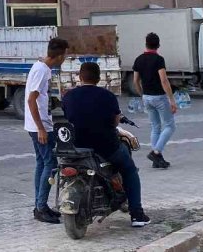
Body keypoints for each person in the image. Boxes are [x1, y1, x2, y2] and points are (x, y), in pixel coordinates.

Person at [63, 61, 150, 227]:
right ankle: (137, 214)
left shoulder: (68, 96)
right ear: (98, 78)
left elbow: (69, 117)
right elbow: (116, 119)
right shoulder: (107, 96)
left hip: (78, 147)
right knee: (129, 169)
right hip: (106, 146)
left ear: (80, 77)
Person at [25, 37, 68, 224]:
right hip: (40, 126)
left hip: (40, 124)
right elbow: (31, 100)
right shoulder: (41, 71)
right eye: (65, 54)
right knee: (50, 164)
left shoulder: (42, 67)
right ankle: (41, 207)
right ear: (59, 55)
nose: (65, 58)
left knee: (42, 163)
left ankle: (40, 206)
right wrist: (41, 128)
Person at [132, 33, 177, 168]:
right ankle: (156, 152)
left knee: (155, 127)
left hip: (147, 97)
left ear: (145, 43)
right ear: (158, 45)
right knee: (170, 125)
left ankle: (157, 160)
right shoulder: (158, 59)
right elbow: (164, 80)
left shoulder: (138, 59)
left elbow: (135, 81)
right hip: (159, 97)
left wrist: (142, 94)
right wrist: (172, 100)